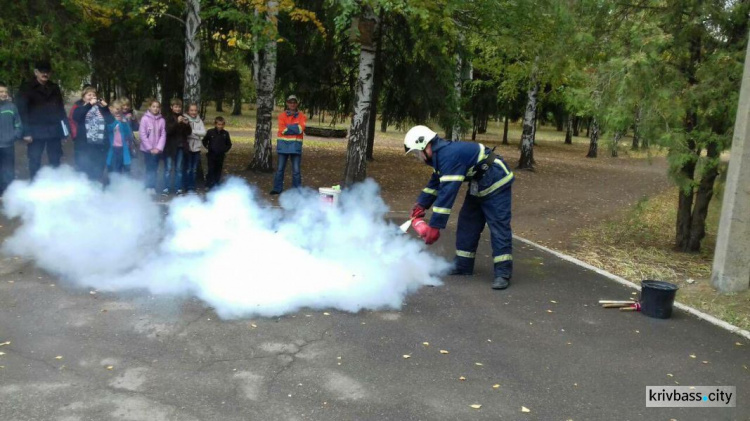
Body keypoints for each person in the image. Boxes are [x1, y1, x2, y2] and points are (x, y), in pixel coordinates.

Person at [404, 125, 515, 290]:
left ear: (425, 144)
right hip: (480, 182)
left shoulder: (448, 157)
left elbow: (447, 193)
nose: (418, 157)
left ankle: (502, 273)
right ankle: (464, 265)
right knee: (467, 223)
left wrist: (434, 226)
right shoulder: (440, 157)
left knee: (498, 226)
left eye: (417, 152)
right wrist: (421, 204)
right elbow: (435, 184)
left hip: (496, 179)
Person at [15, 60, 69, 179]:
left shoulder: (54, 88)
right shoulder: (26, 88)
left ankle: (55, 182)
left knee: (55, 158)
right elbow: (22, 111)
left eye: (47, 72)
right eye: (42, 72)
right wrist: (26, 132)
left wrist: (64, 131)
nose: (45, 74)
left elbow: (60, 110)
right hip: (35, 131)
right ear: (36, 72)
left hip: (54, 130)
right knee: (34, 159)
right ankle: (35, 184)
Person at [72, 87, 112, 181]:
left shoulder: (101, 109)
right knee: (85, 169)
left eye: (94, 95)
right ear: (83, 97)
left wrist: (106, 108)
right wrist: (89, 105)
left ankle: (96, 188)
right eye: (89, 95)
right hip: (85, 145)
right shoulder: (79, 107)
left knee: (98, 169)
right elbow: (76, 117)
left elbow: (110, 121)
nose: (92, 97)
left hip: (100, 145)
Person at [270, 95, 306, 195]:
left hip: (295, 147)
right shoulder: (282, 116)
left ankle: (296, 190)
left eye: (294, 102)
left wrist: (288, 127)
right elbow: (282, 129)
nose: (292, 104)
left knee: (296, 171)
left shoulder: (302, 116)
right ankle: (277, 189)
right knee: (280, 169)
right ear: (287, 103)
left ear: (297, 104)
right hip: (283, 146)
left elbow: (300, 129)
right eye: (290, 102)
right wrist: (294, 127)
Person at [163, 98, 192, 195]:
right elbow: (168, 131)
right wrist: (177, 122)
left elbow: (188, 133)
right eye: (176, 107)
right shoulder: (168, 117)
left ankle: (178, 188)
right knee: (168, 168)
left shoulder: (183, 117)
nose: (178, 109)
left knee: (178, 169)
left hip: (180, 147)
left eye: (179, 107)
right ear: (172, 107)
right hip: (170, 147)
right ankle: (166, 188)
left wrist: (187, 125)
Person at [138, 99, 166, 194]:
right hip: (147, 150)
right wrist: (150, 148)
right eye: (153, 106)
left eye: (157, 107)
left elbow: (163, 135)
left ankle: (152, 186)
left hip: (157, 150)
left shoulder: (162, 120)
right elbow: (142, 134)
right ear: (149, 107)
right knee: (149, 168)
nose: (155, 108)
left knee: (155, 168)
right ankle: (147, 186)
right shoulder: (144, 119)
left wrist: (158, 148)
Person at [0, 82, 23, 194]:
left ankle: (8, 194)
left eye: (5, 91)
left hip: (8, 145)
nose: (4, 94)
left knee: (8, 170)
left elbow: (18, 124)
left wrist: (14, 136)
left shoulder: (12, 107)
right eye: (1, 92)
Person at [105, 100, 136, 174]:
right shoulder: (109, 120)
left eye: (120, 109)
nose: (118, 111)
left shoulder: (124, 120)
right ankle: (113, 184)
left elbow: (128, 133)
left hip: (123, 148)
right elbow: (109, 129)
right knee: (114, 169)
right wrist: (116, 121)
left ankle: (123, 184)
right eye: (117, 109)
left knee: (126, 168)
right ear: (111, 109)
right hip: (113, 149)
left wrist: (124, 123)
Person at [202, 116, 232, 190]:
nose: (220, 126)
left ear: (224, 125)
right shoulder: (210, 132)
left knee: (218, 170)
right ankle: (208, 185)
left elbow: (229, 144)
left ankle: (216, 184)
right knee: (211, 170)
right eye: (219, 124)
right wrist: (208, 147)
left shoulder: (225, 133)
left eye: (222, 124)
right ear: (215, 124)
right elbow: (204, 140)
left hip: (220, 155)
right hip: (211, 155)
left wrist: (224, 149)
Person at [184, 103, 206, 193]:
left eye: (195, 110)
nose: (193, 112)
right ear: (188, 111)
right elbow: (186, 134)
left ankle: (192, 187)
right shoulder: (185, 120)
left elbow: (204, 133)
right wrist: (198, 135)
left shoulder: (199, 121)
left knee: (194, 170)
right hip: (188, 148)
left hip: (196, 149)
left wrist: (193, 132)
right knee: (188, 168)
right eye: (191, 110)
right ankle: (186, 186)